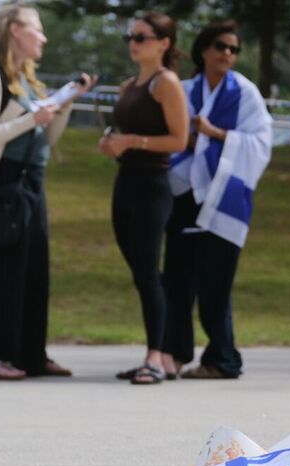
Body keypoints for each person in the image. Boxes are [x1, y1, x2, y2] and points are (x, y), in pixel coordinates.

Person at [0, 4, 94, 380]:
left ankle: (29, 355)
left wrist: (63, 104)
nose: (43, 38)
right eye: (37, 30)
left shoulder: (27, 81)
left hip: (33, 183)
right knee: (0, 270)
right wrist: (30, 119)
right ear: (15, 31)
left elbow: (46, 137)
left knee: (33, 272)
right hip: (3, 183)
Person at [161, 20, 272, 379]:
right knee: (177, 280)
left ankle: (221, 358)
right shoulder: (184, 88)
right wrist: (189, 140)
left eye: (234, 49)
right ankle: (174, 354)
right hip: (183, 195)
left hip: (225, 198)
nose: (228, 54)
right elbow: (167, 132)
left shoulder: (245, 93)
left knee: (215, 284)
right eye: (221, 46)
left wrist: (214, 135)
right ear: (204, 50)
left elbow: (260, 144)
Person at [103, 10, 190, 386]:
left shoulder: (166, 83)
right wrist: (113, 143)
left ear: (164, 43)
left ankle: (156, 356)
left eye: (142, 37)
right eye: (131, 37)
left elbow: (179, 140)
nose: (134, 44)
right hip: (126, 181)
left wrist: (133, 142)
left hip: (154, 185)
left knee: (148, 272)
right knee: (142, 273)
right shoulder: (129, 86)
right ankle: (165, 354)